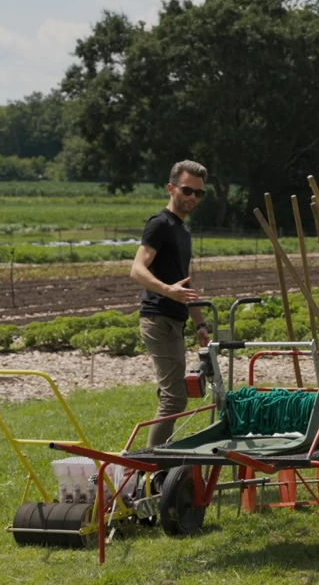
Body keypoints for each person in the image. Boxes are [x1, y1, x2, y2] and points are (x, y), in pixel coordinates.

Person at [131, 160, 212, 447]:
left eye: (198, 193)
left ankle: (157, 464)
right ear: (171, 188)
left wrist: (200, 324)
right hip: (158, 318)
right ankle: (152, 468)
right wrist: (166, 290)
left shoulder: (183, 231)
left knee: (173, 396)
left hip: (174, 320)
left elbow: (185, 284)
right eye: (187, 190)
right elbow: (137, 269)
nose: (192, 197)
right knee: (175, 398)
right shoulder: (160, 224)